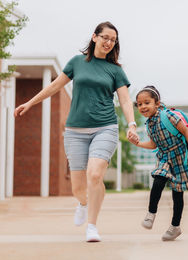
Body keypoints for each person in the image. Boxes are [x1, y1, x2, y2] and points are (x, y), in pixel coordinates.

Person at [14, 21, 139, 242]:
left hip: (105, 127)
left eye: (113, 40)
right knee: (78, 187)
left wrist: (131, 125)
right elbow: (54, 86)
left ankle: (92, 226)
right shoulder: (77, 62)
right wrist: (30, 103)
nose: (109, 42)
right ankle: (82, 203)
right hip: (75, 130)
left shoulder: (115, 71)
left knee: (95, 174)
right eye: (105, 37)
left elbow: (126, 100)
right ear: (94, 37)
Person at [131, 86, 188, 241]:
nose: (143, 106)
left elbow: (186, 132)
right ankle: (151, 214)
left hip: (181, 156)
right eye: (140, 104)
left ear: (157, 103)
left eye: (147, 102)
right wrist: (138, 143)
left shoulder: (168, 115)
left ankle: (175, 226)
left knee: (177, 193)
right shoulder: (149, 125)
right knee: (158, 180)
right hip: (165, 156)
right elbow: (153, 145)